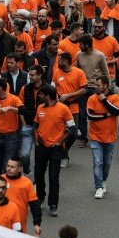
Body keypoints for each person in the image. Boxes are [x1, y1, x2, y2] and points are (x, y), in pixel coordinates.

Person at [34, 85, 76, 217]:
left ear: (47, 96)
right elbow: (35, 125)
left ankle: (53, 204)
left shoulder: (63, 109)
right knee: (38, 175)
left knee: (53, 177)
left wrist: (60, 142)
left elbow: (72, 129)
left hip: (55, 149)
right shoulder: (40, 108)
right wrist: (36, 139)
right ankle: (40, 197)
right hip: (41, 147)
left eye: (41, 94)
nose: (39, 97)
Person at [87, 75, 119, 199]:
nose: (96, 87)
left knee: (106, 164)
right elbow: (90, 115)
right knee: (98, 162)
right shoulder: (91, 98)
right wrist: (106, 115)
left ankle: (103, 180)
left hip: (110, 137)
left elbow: (116, 111)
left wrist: (104, 101)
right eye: (95, 85)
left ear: (106, 85)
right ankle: (99, 187)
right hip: (95, 136)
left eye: (99, 85)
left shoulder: (115, 97)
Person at [76, 35, 109, 146]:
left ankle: (99, 136)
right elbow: (77, 71)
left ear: (87, 45)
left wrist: (106, 88)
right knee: (82, 113)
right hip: (83, 88)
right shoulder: (79, 55)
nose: (79, 46)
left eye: (81, 44)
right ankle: (83, 137)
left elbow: (106, 72)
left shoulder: (100, 55)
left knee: (98, 113)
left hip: (96, 89)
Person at [17, 65, 46, 174]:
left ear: (39, 76)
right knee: (25, 155)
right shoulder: (25, 88)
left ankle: (38, 176)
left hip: (42, 128)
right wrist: (24, 124)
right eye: (29, 75)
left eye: (32, 75)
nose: (30, 77)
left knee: (40, 156)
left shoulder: (47, 89)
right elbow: (20, 107)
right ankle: (27, 170)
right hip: (28, 125)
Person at [2, 157, 42, 235]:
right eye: (8, 166)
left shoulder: (27, 183)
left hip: (18, 225)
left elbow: (35, 205)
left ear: (19, 169)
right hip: (1, 223)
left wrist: (37, 224)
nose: (9, 169)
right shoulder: (0, 180)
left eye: (12, 167)